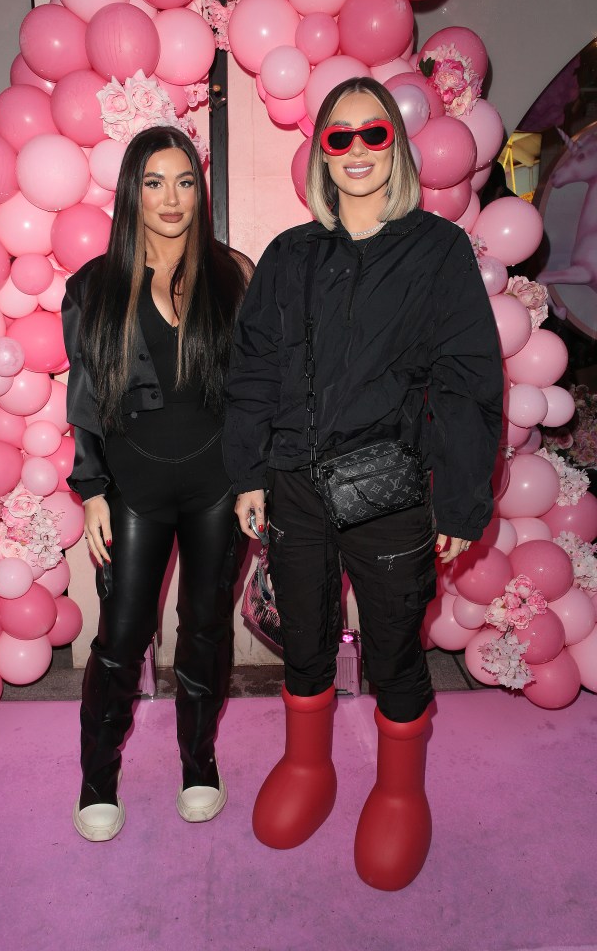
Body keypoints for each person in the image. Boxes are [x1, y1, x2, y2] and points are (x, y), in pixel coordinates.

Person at [223, 78, 503, 890]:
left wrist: (457, 497)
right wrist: (250, 471)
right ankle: (309, 770)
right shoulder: (289, 255)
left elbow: (467, 381)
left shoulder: (439, 251)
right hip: (296, 488)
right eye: (336, 137)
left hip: (392, 490)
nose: (354, 151)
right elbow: (255, 370)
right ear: (320, 151)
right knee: (303, 638)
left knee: (393, 646)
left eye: (371, 134)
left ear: (396, 145)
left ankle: (399, 788)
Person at [62, 125, 251, 842]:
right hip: (134, 490)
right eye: (154, 182)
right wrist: (94, 491)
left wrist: (254, 480)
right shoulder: (93, 285)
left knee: (205, 632)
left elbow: (254, 392)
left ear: (199, 190)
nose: (171, 199)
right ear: (131, 192)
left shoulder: (233, 272)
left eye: (183, 182)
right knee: (121, 638)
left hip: (219, 488)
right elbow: (85, 400)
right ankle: (97, 776)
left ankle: (198, 763)